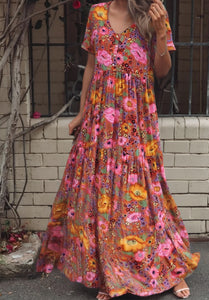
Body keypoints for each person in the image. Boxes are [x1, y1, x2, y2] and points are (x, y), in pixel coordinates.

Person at [36, 0, 200, 299]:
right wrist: (82, 112)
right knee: (103, 192)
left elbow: (162, 71)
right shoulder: (97, 13)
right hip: (101, 116)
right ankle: (110, 271)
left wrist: (161, 32)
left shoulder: (153, 13)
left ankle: (171, 267)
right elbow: (92, 66)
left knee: (147, 190)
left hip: (136, 117)